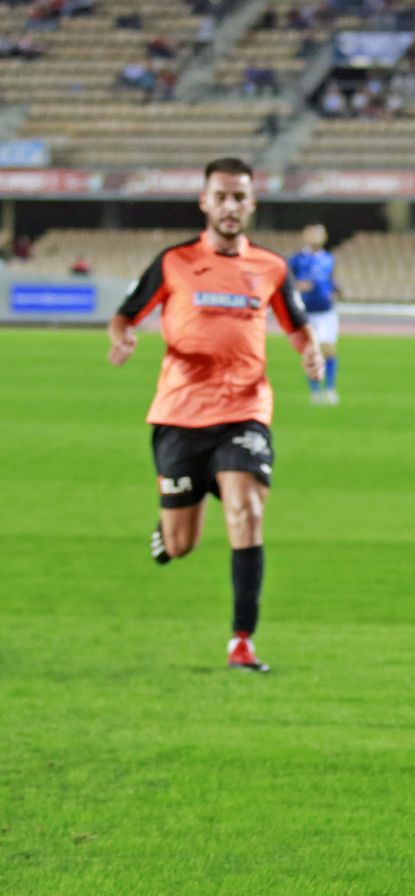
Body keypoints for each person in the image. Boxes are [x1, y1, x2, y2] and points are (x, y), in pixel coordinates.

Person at [107, 156, 324, 672]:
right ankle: (170, 530)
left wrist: (310, 352)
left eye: (239, 197)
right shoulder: (174, 262)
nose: (230, 206)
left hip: (245, 409)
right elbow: (125, 314)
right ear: (204, 201)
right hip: (180, 414)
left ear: (252, 204)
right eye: (221, 196)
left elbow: (297, 325)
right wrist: (124, 337)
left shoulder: (270, 267)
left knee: (246, 511)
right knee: (181, 544)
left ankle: (241, 642)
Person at [289, 223, 343, 405]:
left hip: (326, 311)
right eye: (312, 234)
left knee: (329, 349)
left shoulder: (328, 259)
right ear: (305, 237)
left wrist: (335, 291)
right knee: (311, 351)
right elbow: (286, 281)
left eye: (319, 234)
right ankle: (315, 392)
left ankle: (330, 389)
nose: (316, 237)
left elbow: (331, 280)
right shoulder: (296, 260)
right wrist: (298, 285)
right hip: (307, 312)